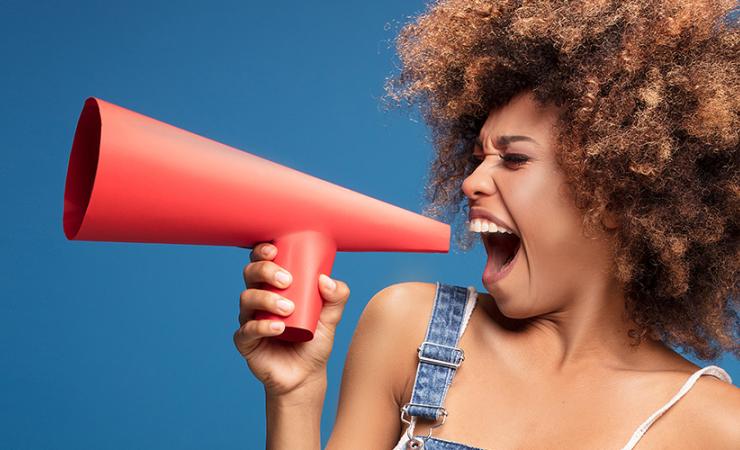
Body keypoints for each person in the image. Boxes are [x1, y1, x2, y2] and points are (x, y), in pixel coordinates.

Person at [233, 1, 740, 448]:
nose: (471, 182)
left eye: (514, 159)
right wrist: (295, 395)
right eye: (477, 158)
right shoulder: (407, 325)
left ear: (614, 193)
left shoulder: (714, 424)